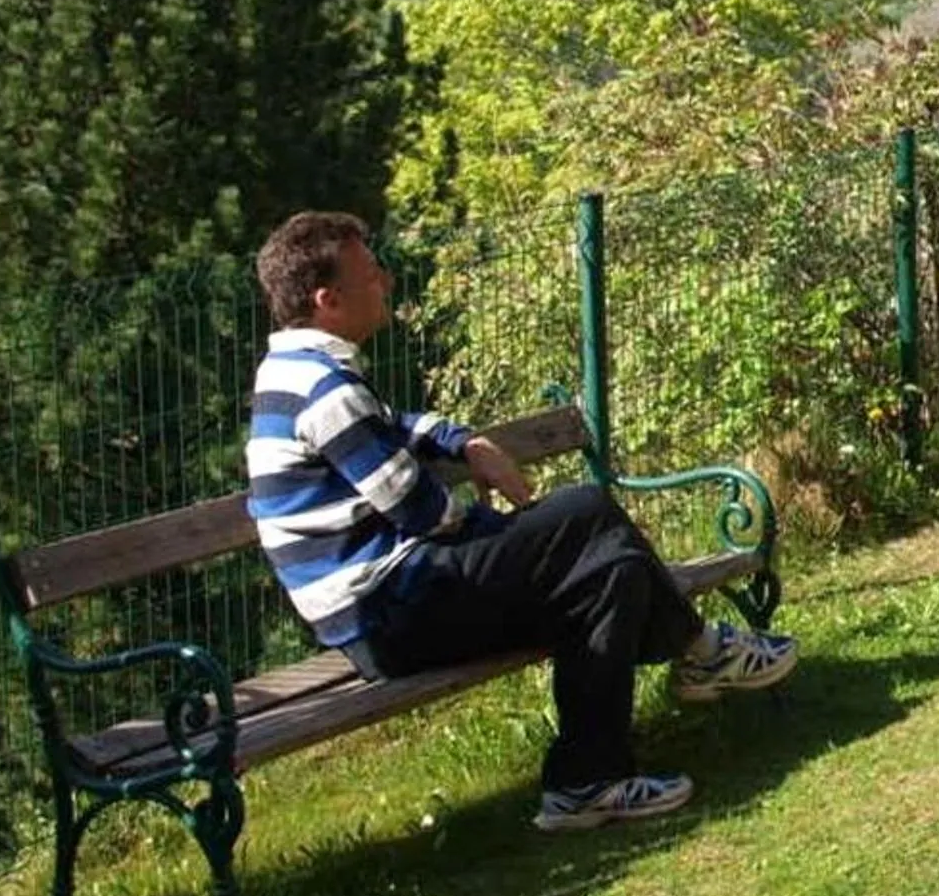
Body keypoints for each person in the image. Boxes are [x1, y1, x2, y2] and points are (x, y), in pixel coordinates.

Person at [246, 211, 797, 831]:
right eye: (373, 274)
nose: (387, 282)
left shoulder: (297, 373)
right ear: (330, 299)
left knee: (609, 573)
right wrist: (506, 526)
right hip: (387, 611)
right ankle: (699, 651)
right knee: (586, 513)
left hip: (388, 607)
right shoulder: (325, 391)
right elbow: (423, 512)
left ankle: (587, 785)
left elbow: (394, 424)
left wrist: (467, 443)